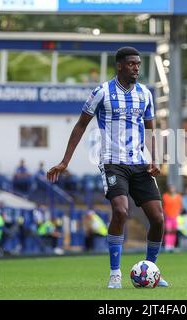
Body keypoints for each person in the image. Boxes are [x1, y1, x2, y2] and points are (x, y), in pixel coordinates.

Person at [47, 47, 168, 289]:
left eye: (138, 64)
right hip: (113, 162)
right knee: (121, 211)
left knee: (158, 218)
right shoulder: (102, 92)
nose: (136, 68)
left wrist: (155, 158)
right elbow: (81, 125)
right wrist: (65, 160)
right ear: (120, 66)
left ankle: (151, 269)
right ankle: (115, 273)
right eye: (132, 64)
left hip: (140, 164)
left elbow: (150, 129)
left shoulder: (145, 94)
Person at [162, 185, 183, 252]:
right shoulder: (165, 196)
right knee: (168, 231)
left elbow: (181, 206)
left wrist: (178, 213)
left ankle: (172, 245)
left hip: (176, 217)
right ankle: (168, 245)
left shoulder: (179, 197)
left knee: (174, 231)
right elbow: (162, 205)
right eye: (171, 188)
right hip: (168, 216)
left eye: (173, 188)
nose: (172, 189)